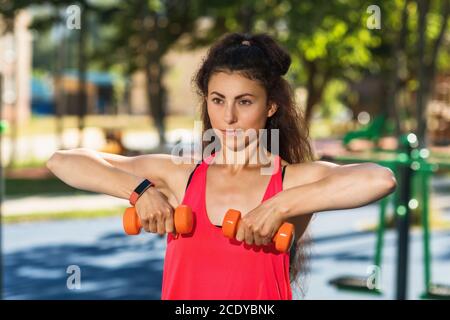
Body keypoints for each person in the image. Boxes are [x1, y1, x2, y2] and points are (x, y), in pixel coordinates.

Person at [47, 32, 397, 300]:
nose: (228, 118)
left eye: (244, 102)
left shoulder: (290, 181)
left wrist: (277, 207)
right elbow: (63, 161)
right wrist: (140, 191)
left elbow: (380, 179)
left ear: (271, 106)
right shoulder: (181, 176)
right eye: (218, 100)